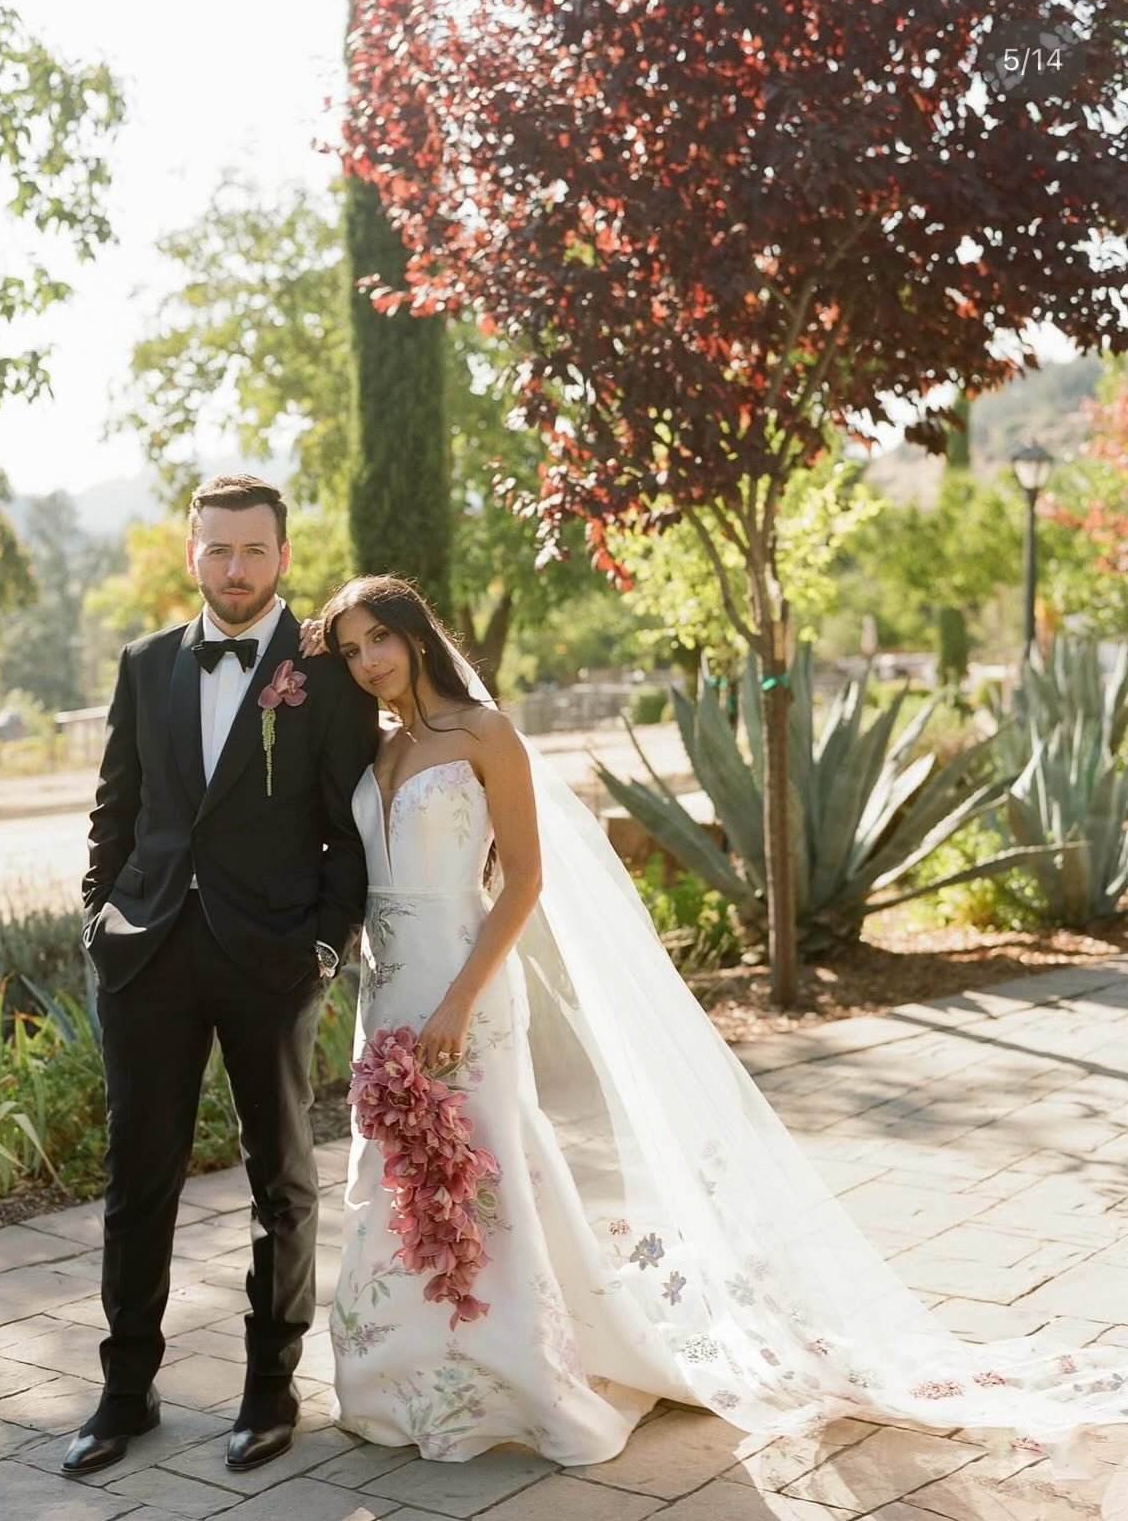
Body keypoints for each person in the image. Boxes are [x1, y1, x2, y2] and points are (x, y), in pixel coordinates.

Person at [304, 573, 1128, 1474]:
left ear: (416, 636)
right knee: (387, 1171)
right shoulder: (377, 750)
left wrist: (461, 995)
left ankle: (516, 1373)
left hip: (469, 982)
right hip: (386, 993)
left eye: (378, 639)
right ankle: (398, 1377)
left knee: (491, 1169)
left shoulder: (486, 735)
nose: (368, 662)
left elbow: (526, 879)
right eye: (349, 650)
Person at [63, 476, 378, 1478]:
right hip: (146, 951)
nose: (235, 569)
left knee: (279, 1178)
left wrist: (325, 943)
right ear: (191, 553)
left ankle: (269, 1388)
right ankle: (126, 1392)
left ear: (283, 556)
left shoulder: (325, 673)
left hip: (273, 958)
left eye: (254, 550)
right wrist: (97, 918)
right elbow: (117, 809)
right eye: (217, 550)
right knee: (135, 1178)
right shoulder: (145, 662)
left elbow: (349, 825)